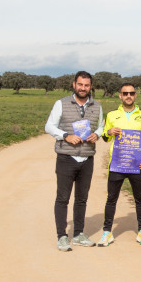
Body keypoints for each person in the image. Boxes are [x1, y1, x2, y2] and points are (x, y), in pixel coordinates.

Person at [45, 71, 104, 251]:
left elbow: (101, 125)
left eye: (87, 85)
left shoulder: (97, 105)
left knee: (82, 199)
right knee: (62, 198)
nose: (83, 88)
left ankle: (78, 234)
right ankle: (62, 236)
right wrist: (65, 136)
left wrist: (97, 134)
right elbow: (49, 126)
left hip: (87, 158)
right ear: (74, 84)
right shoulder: (61, 103)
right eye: (80, 84)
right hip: (66, 157)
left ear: (91, 86)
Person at [98, 82, 141, 246]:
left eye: (131, 93)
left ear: (135, 95)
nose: (128, 96)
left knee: (140, 198)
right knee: (111, 198)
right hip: (117, 164)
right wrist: (108, 132)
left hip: (137, 164)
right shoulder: (112, 115)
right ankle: (107, 232)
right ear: (120, 96)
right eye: (125, 93)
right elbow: (105, 136)